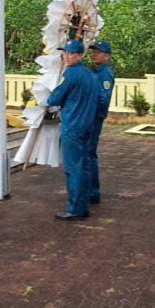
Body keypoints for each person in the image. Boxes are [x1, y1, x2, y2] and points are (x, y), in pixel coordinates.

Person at [45, 38, 100, 220]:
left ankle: (76, 209)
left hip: (73, 126)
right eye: (65, 53)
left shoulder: (71, 75)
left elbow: (54, 99)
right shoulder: (91, 75)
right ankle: (82, 204)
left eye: (71, 54)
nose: (66, 57)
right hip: (87, 125)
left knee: (73, 167)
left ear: (79, 56)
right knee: (83, 165)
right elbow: (100, 100)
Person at [87, 40, 115, 204]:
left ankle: (93, 193)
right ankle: (91, 191)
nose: (94, 54)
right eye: (94, 51)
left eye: (98, 52)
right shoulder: (97, 71)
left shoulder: (104, 74)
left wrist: (89, 111)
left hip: (94, 119)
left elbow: (103, 99)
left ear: (107, 56)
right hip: (92, 117)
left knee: (90, 155)